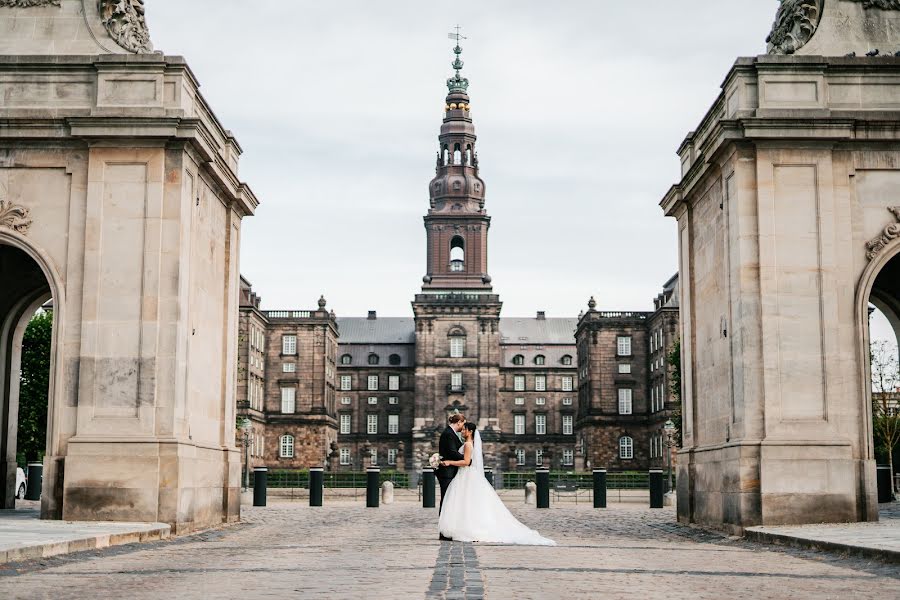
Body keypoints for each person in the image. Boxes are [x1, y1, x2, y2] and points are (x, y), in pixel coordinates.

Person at [438, 422, 555, 545]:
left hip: (466, 474)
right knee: (468, 502)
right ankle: (466, 526)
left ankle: (468, 528)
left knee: (466, 502)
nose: (462, 431)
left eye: (464, 430)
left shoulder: (468, 444)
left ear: (470, 431)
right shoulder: (468, 443)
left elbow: (467, 462)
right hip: (465, 475)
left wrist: (449, 462)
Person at [435, 414, 467, 529]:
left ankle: (447, 528)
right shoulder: (448, 434)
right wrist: (467, 460)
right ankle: (444, 529)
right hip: (447, 472)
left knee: (448, 500)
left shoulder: (450, 433)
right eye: (463, 424)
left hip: (449, 471)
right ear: (458, 422)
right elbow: (452, 452)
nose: (463, 427)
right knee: (446, 500)